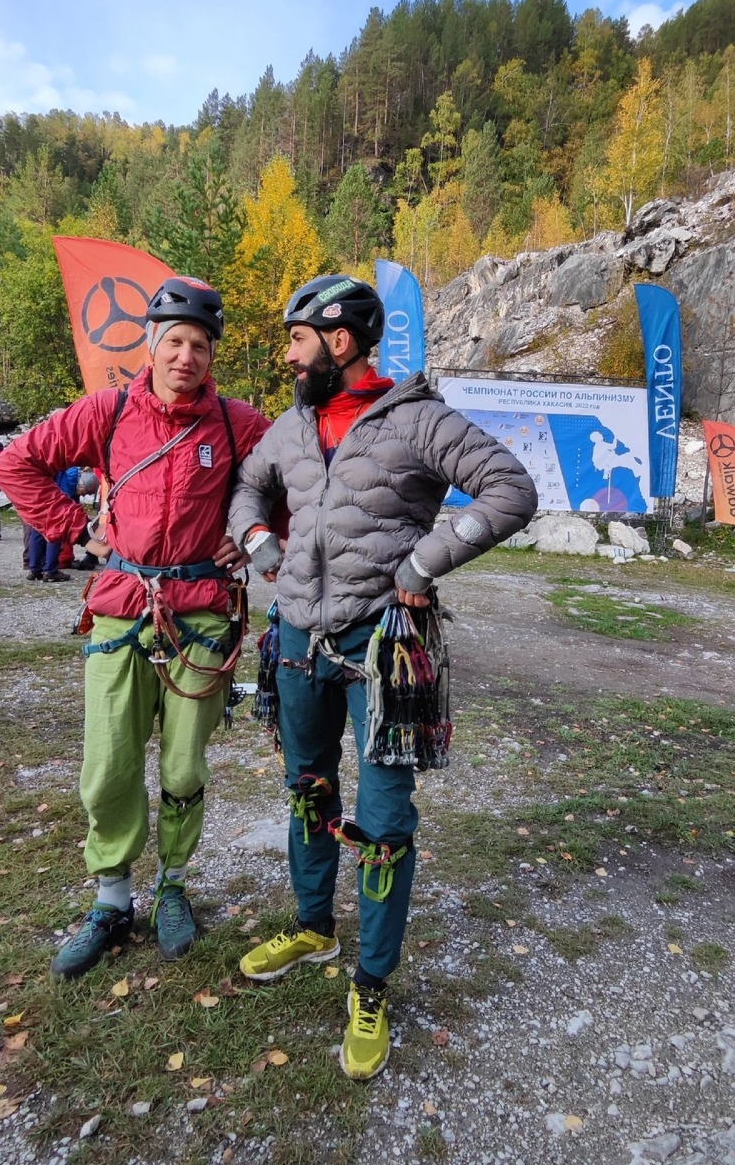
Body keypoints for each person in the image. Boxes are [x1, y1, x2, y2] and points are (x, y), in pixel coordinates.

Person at [229, 275, 537, 1080]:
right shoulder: (292, 428)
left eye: (297, 339)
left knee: (384, 817)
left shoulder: (419, 419)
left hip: (384, 646)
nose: (287, 356)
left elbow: (512, 489)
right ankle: (312, 927)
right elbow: (249, 487)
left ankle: (370, 983)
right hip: (297, 640)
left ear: (340, 341)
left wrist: (426, 561)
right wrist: (257, 541)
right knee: (307, 789)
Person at [0, 277, 275, 978]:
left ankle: (172, 887)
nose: (186, 356)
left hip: (202, 614)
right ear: (151, 345)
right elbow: (16, 463)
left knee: (182, 766)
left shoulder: (240, 423)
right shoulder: (109, 410)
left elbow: (294, 486)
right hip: (121, 608)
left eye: (199, 345)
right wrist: (75, 532)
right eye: (174, 341)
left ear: (213, 355)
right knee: (108, 768)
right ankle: (112, 899)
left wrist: (252, 536)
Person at [26, 466, 80, 582]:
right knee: (54, 532)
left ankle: (34, 569)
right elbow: (70, 479)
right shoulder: (61, 462)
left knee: (37, 531)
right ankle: (50, 570)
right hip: (54, 498)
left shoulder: (37, 461)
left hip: (37, 496)